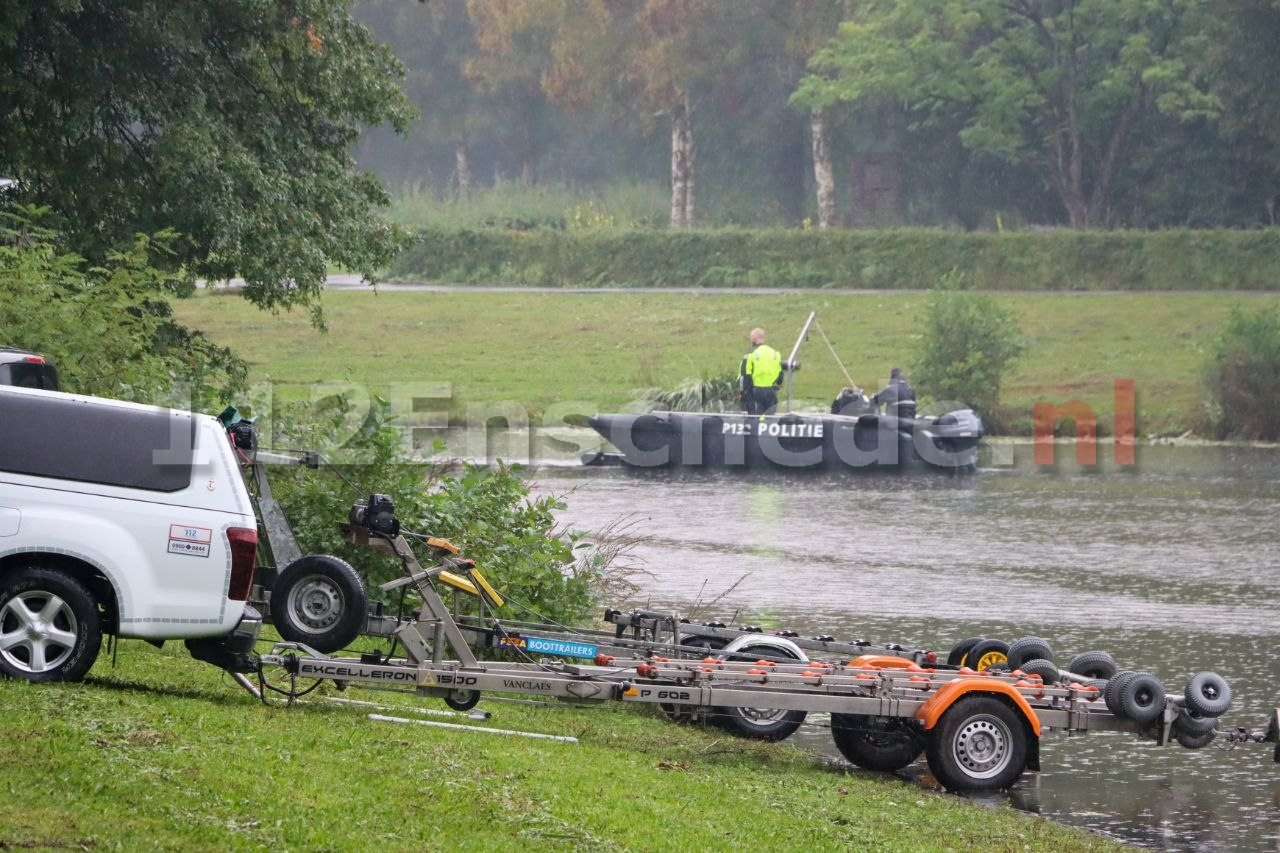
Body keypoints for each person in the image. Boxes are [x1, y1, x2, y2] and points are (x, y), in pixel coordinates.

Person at [739, 328, 784, 415]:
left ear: (754, 338)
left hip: (756, 392)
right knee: (769, 421)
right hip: (771, 392)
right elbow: (780, 376)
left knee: (756, 419)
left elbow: (746, 375)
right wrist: (776, 386)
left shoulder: (751, 354)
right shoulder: (775, 353)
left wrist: (744, 393)